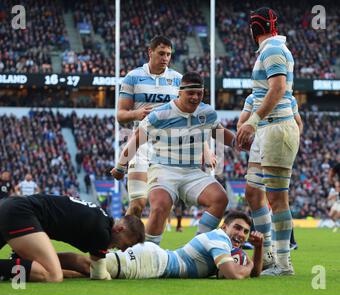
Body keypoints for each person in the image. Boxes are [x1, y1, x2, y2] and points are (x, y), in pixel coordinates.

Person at [111, 72, 236, 246]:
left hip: (192, 171)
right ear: (180, 92)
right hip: (163, 169)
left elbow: (222, 135)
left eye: (199, 94)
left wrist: (243, 143)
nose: (195, 97)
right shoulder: (160, 114)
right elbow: (135, 141)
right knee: (161, 205)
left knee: (220, 198)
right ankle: (148, 254)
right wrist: (119, 167)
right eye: (190, 93)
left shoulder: (207, 113)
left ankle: (197, 248)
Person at [236, 7, 300, 276]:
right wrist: (247, 120)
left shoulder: (273, 50)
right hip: (267, 130)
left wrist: (253, 120)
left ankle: (283, 263)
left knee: (277, 199)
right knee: (253, 193)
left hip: (275, 128)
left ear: (254, 29)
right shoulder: (268, 50)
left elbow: (278, 89)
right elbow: (261, 92)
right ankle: (270, 254)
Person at [57, 212, 264, 280]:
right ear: (224, 226)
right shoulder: (219, 239)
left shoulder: (223, 242)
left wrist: (258, 248)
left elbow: (253, 274)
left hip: (156, 261)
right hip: (153, 262)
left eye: (245, 232)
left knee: (92, 273)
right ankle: (31, 260)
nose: (241, 234)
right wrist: (248, 266)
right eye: (237, 228)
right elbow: (232, 274)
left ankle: (36, 268)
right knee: (88, 265)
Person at [0, 194, 144, 282]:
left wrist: (77, 272)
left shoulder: (102, 220)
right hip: (20, 214)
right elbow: (99, 274)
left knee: (47, 266)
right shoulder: (102, 233)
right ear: (120, 229)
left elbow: (83, 263)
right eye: (126, 244)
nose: (123, 250)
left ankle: (19, 261)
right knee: (53, 276)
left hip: (11, 207)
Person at [117, 35, 182, 218]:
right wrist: (136, 114)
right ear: (150, 52)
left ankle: (152, 246)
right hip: (141, 144)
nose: (165, 58)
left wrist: (206, 148)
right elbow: (120, 116)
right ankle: (124, 244)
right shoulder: (133, 77)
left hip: (170, 148)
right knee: (137, 204)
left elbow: (191, 116)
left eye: (169, 54)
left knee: (162, 205)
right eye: (161, 53)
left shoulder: (178, 80)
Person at [237, 94, 302, 255]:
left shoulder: (288, 98)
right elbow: (241, 122)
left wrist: (293, 142)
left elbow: (298, 123)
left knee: (276, 198)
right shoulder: (252, 98)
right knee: (252, 194)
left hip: (279, 141)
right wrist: (245, 137)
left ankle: (282, 256)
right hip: (259, 144)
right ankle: (266, 252)